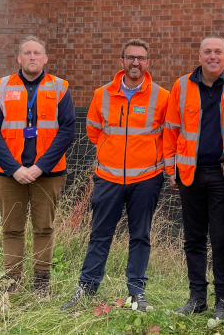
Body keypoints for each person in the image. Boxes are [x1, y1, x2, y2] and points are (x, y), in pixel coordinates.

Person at [61, 39, 170, 312]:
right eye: (131, 58)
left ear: (149, 63)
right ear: (121, 62)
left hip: (146, 179)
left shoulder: (162, 96)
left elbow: (168, 136)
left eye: (141, 58)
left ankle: (136, 293)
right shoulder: (102, 94)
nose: (136, 63)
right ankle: (86, 288)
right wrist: (113, 157)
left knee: (140, 236)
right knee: (100, 235)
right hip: (108, 179)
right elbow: (94, 132)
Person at [0, 36, 76, 297]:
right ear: (19, 58)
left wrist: (40, 167)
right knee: (11, 228)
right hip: (8, 173)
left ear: (45, 59)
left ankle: (41, 282)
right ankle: (12, 282)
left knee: (44, 228)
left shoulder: (60, 87)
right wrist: (14, 168)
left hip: (48, 174)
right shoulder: (1, 87)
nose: (32, 57)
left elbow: (67, 130)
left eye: (37, 53)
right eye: (27, 53)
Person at [164, 35, 224, 320]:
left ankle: (223, 300)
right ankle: (197, 297)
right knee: (193, 238)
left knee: (223, 238)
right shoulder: (182, 86)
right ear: (199, 55)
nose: (213, 56)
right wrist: (170, 168)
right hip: (190, 174)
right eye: (208, 51)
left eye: (218, 52)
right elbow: (171, 129)